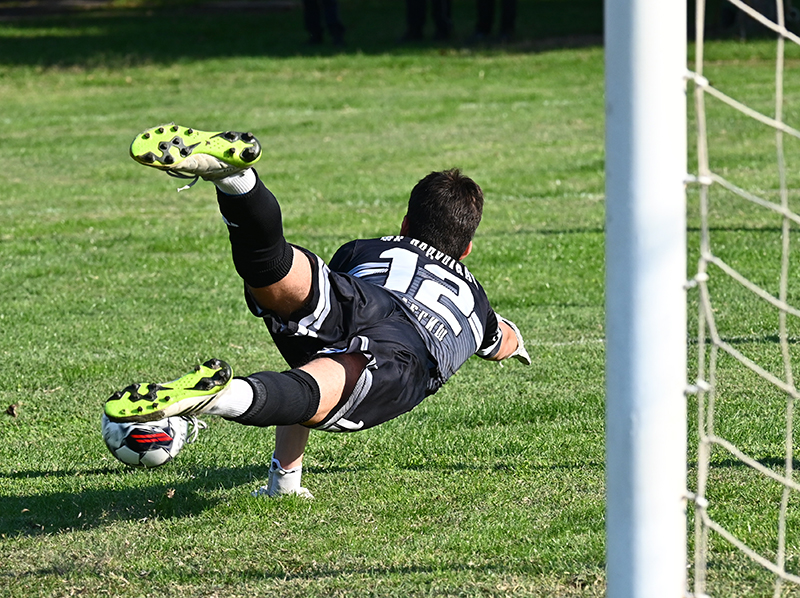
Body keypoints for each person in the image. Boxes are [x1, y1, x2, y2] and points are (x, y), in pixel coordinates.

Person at [105, 124, 530, 498]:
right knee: (315, 392)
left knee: (276, 270)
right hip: (411, 348)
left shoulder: (367, 248)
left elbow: (314, 341)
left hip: (366, 293)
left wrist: (285, 480)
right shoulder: (476, 300)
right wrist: (515, 343)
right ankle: (217, 398)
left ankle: (239, 183)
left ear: (404, 225)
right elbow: (501, 340)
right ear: (467, 248)